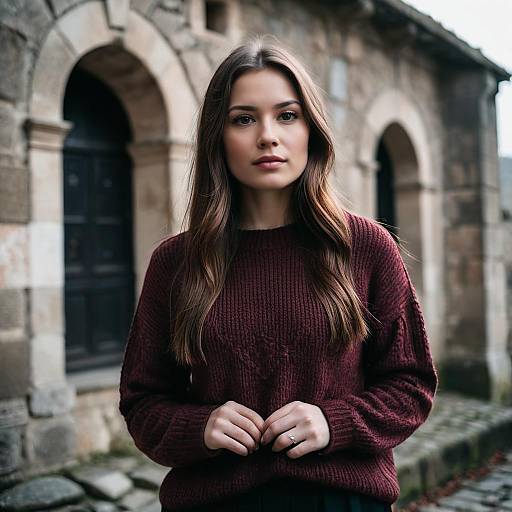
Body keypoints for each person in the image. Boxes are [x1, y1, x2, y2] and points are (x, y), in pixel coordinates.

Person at [118, 36, 438, 512]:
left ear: (311, 129)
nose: (267, 135)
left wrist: (335, 422)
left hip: (343, 500)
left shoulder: (366, 248)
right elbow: (143, 401)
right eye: (244, 119)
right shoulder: (176, 262)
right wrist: (199, 428)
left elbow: (411, 385)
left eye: (287, 115)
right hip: (214, 501)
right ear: (218, 137)